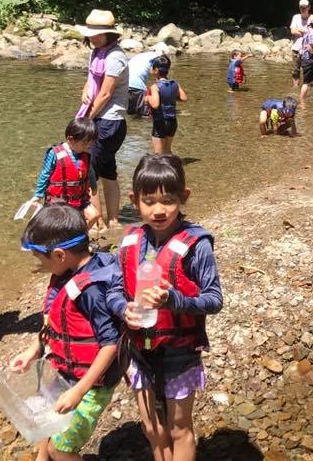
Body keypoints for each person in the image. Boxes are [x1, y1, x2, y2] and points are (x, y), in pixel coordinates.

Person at [107, 154, 222, 461]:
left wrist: (175, 300)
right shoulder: (130, 240)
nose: (158, 210)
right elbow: (116, 290)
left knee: (179, 428)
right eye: (149, 201)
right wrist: (122, 308)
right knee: (152, 427)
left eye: (168, 201)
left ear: (183, 197)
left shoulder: (197, 245)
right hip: (138, 349)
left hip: (179, 351)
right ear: (134, 200)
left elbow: (214, 300)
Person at [10, 205, 121, 461]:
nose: (42, 266)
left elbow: (111, 343)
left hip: (91, 383)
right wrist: (33, 350)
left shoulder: (91, 290)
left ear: (59, 255)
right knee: (46, 420)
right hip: (65, 372)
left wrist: (79, 391)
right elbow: (54, 323)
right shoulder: (66, 273)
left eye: (41, 260)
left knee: (60, 448)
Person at [76, 10, 129, 231]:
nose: (93, 38)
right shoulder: (97, 53)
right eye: (90, 34)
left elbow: (106, 94)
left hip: (108, 122)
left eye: (98, 34)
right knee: (108, 170)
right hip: (105, 120)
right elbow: (91, 80)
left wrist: (86, 119)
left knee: (89, 173)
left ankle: (97, 224)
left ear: (110, 35)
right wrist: (85, 90)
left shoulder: (115, 57)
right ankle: (114, 221)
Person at [33, 118, 102, 231]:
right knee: (60, 227)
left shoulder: (85, 154)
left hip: (79, 198)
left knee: (94, 216)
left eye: (90, 144)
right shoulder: (54, 154)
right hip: (58, 201)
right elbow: (45, 174)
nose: (87, 147)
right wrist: (38, 195)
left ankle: (79, 238)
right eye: (84, 144)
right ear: (70, 139)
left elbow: (90, 172)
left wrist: (94, 187)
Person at [147, 55, 187, 154]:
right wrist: (172, 96)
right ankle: (172, 167)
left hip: (161, 122)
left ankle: (161, 169)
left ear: (156, 70)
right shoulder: (175, 83)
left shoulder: (155, 87)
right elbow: (184, 98)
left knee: (158, 154)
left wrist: (148, 98)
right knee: (167, 151)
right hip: (172, 121)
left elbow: (155, 104)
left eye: (152, 67)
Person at [127, 45, 170, 117]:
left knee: (131, 112)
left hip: (125, 82)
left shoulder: (145, 55)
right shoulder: (156, 59)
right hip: (137, 84)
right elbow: (158, 76)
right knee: (144, 114)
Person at [289, 0, 313, 88]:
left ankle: (307, 88)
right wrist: (305, 31)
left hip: (308, 49)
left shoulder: (312, 18)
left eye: (305, 7)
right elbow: (292, 31)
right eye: (301, 7)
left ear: (309, 7)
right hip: (296, 48)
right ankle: (295, 88)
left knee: (308, 70)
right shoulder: (295, 17)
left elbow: (311, 33)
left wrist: (298, 29)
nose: (303, 9)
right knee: (295, 70)